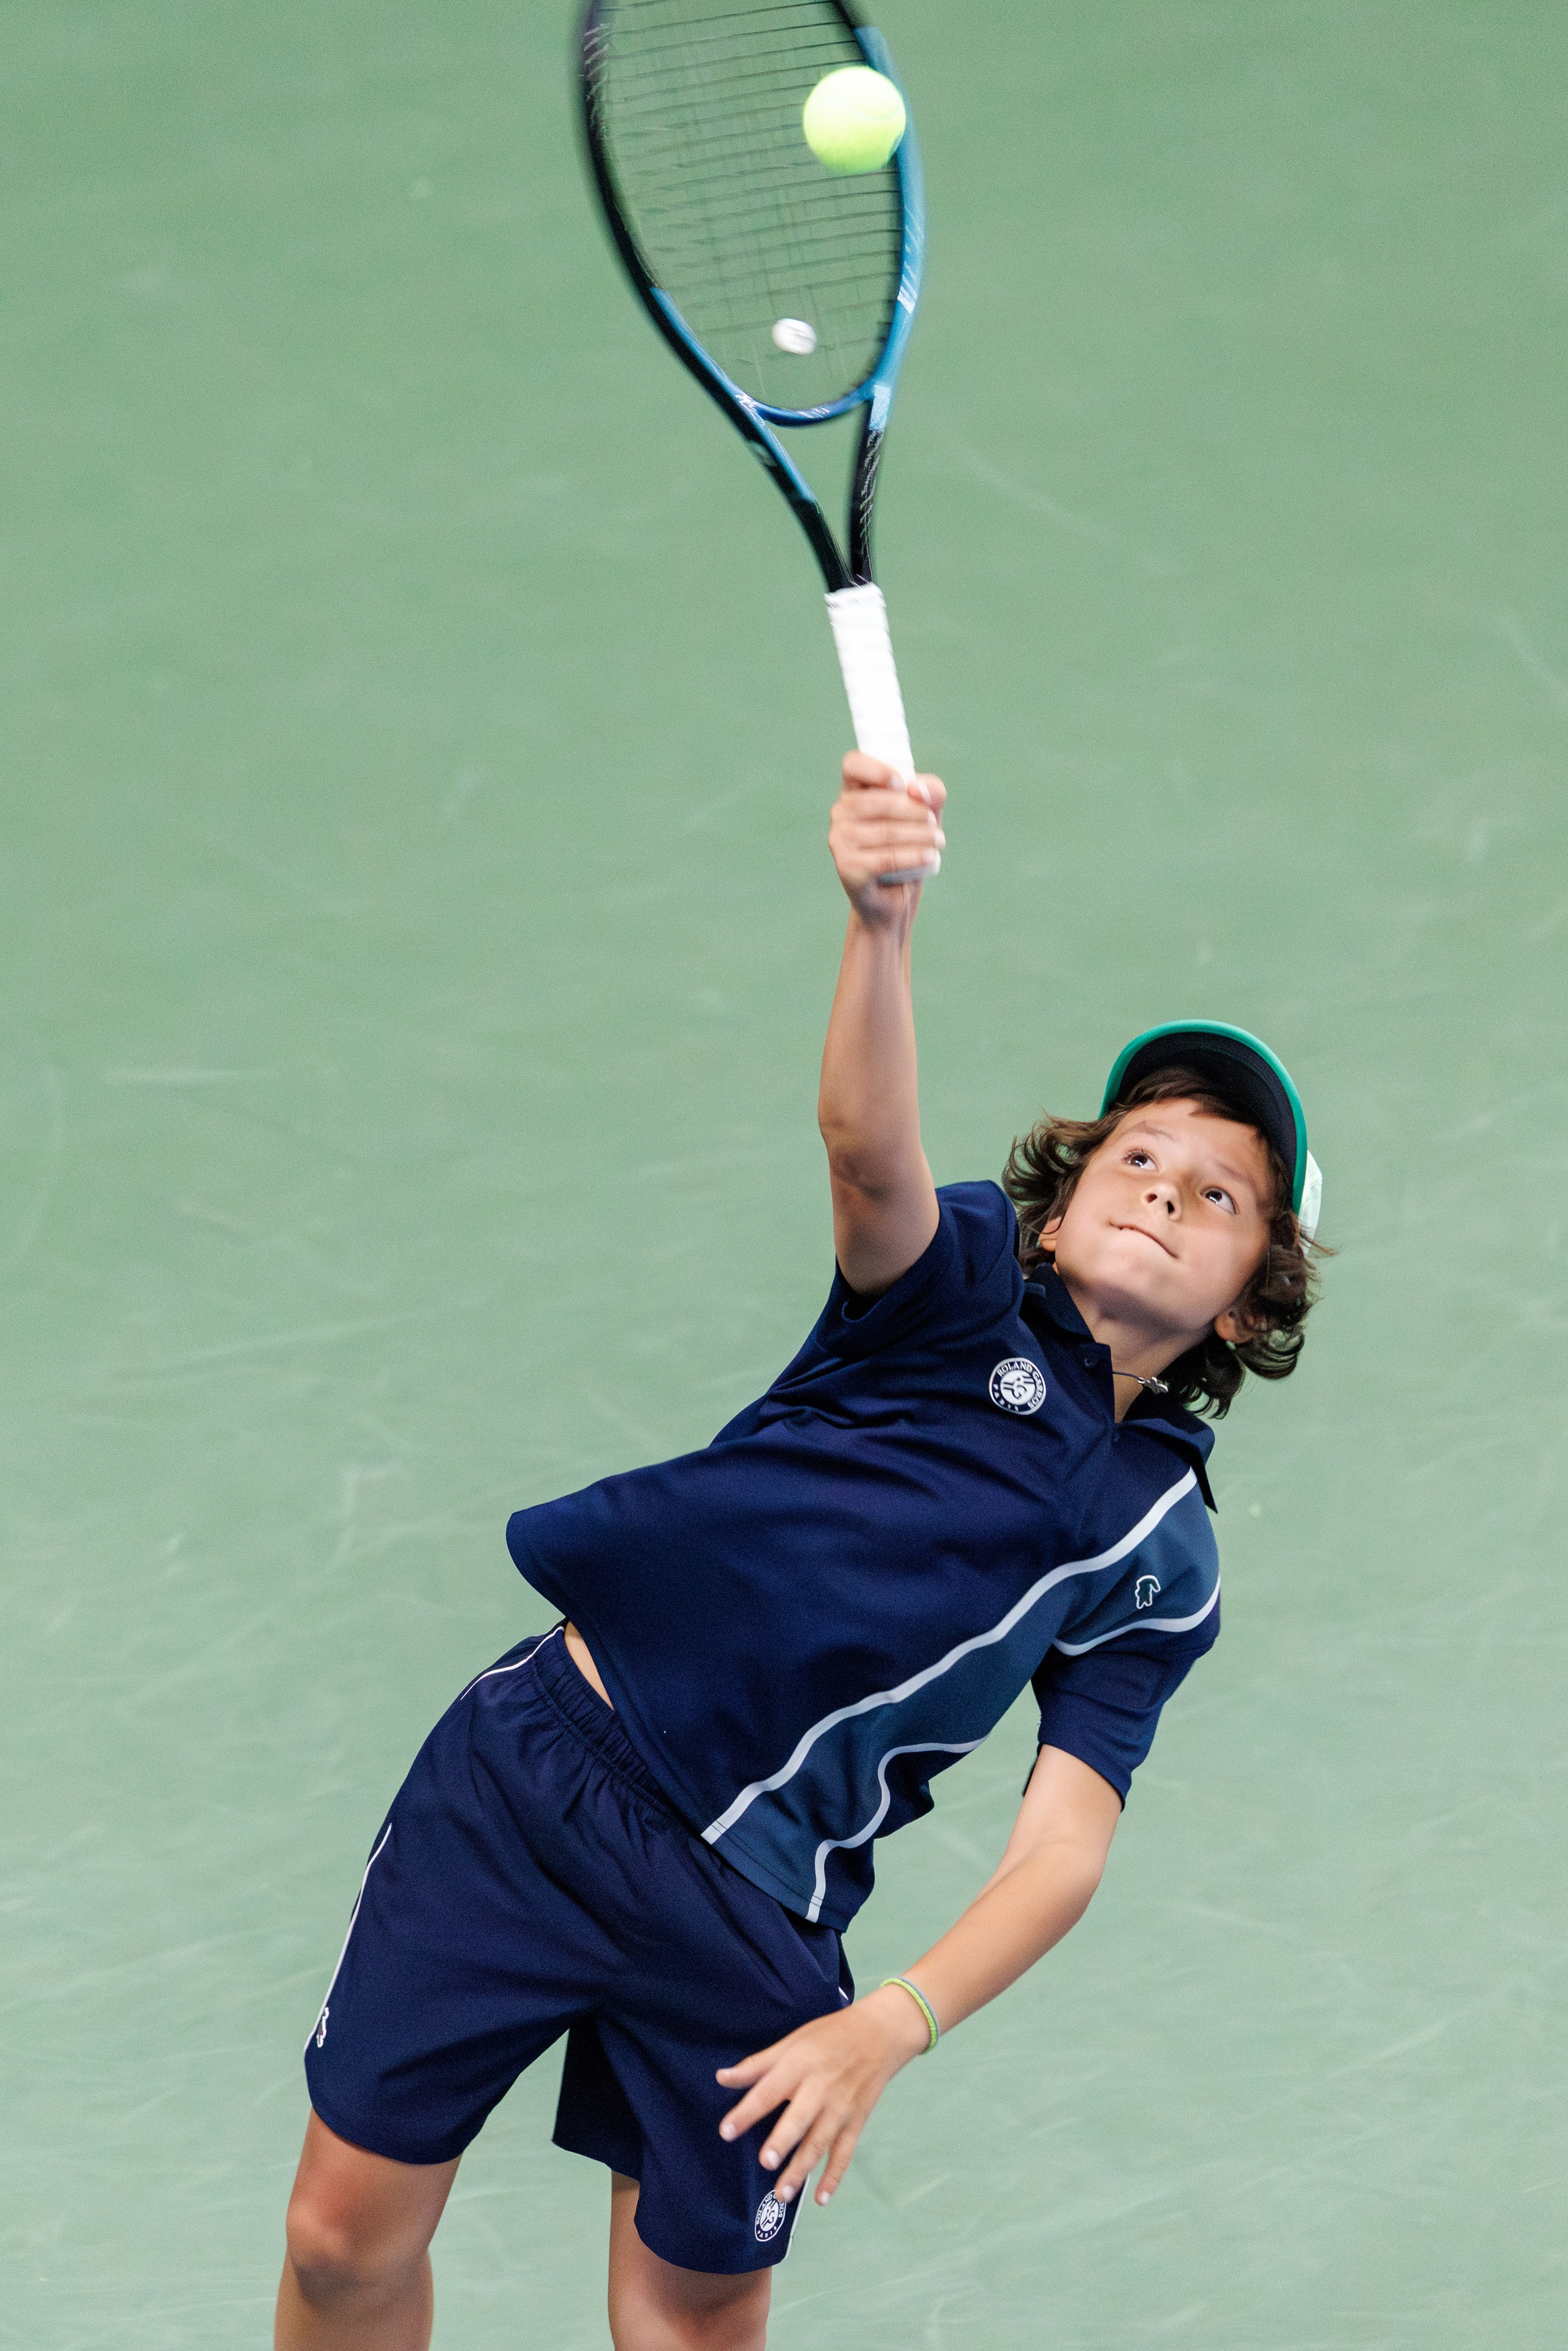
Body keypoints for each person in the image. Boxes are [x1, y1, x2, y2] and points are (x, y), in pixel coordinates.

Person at [276, 753, 1324, 2351]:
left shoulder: (1161, 1556)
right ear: (1056, 1209)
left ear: (1249, 1301)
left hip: (754, 1916)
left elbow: (1061, 1851)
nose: (1169, 1196)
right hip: (546, 1773)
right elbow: (865, 1153)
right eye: (1140, 1159)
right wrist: (879, 928)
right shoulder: (957, 1285)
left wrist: (891, 2022)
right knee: (342, 2241)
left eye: (1222, 1196)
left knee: (694, 2318)